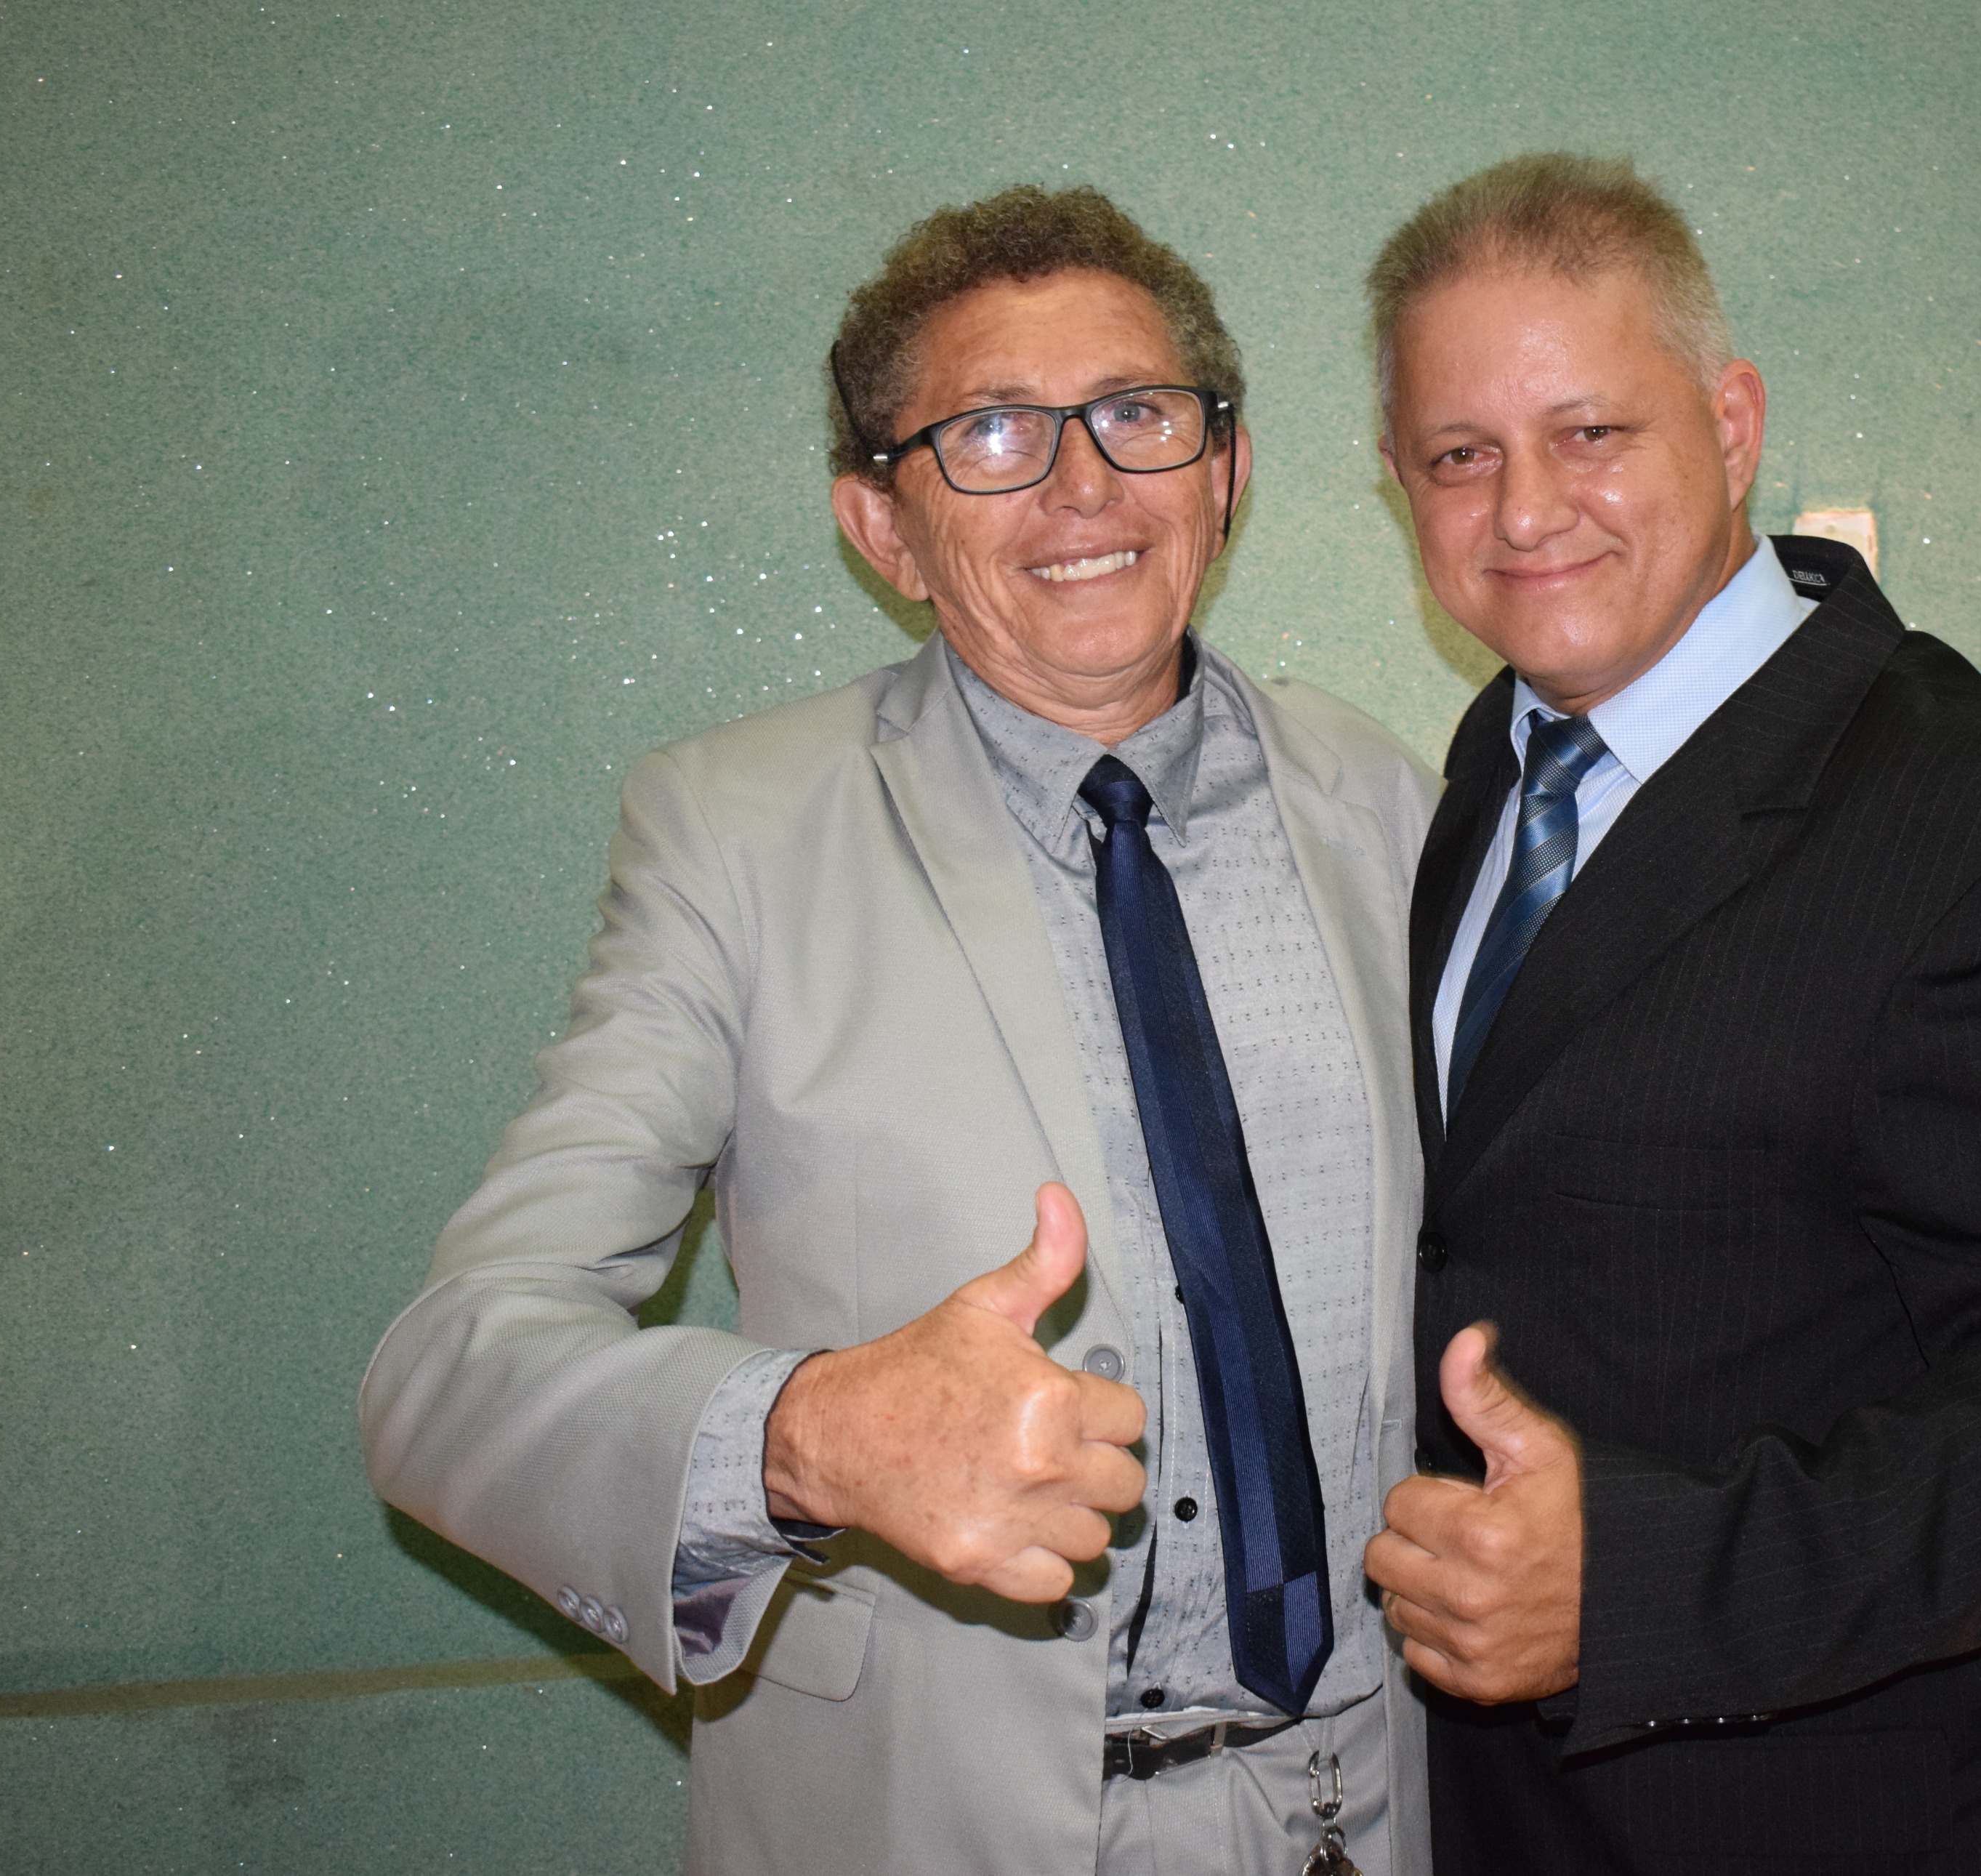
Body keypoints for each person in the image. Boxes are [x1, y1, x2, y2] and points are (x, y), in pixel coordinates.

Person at [360, 184, 1439, 1875]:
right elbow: (447, 1374)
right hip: (934, 1825)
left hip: (1368, 1805)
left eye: (1138, 413)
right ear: (883, 524)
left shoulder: (1384, 796)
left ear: (1223, 471)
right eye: (993, 431)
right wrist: (810, 1437)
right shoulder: (736, 833)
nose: (1083, 484)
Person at [1357, 153, 1981, 1874]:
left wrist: (1639, 1586)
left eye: (1590, 432)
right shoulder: (1496, 768)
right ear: (1399, 484)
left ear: (1732, 422)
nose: (1524, 511)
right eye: (1460, 455)